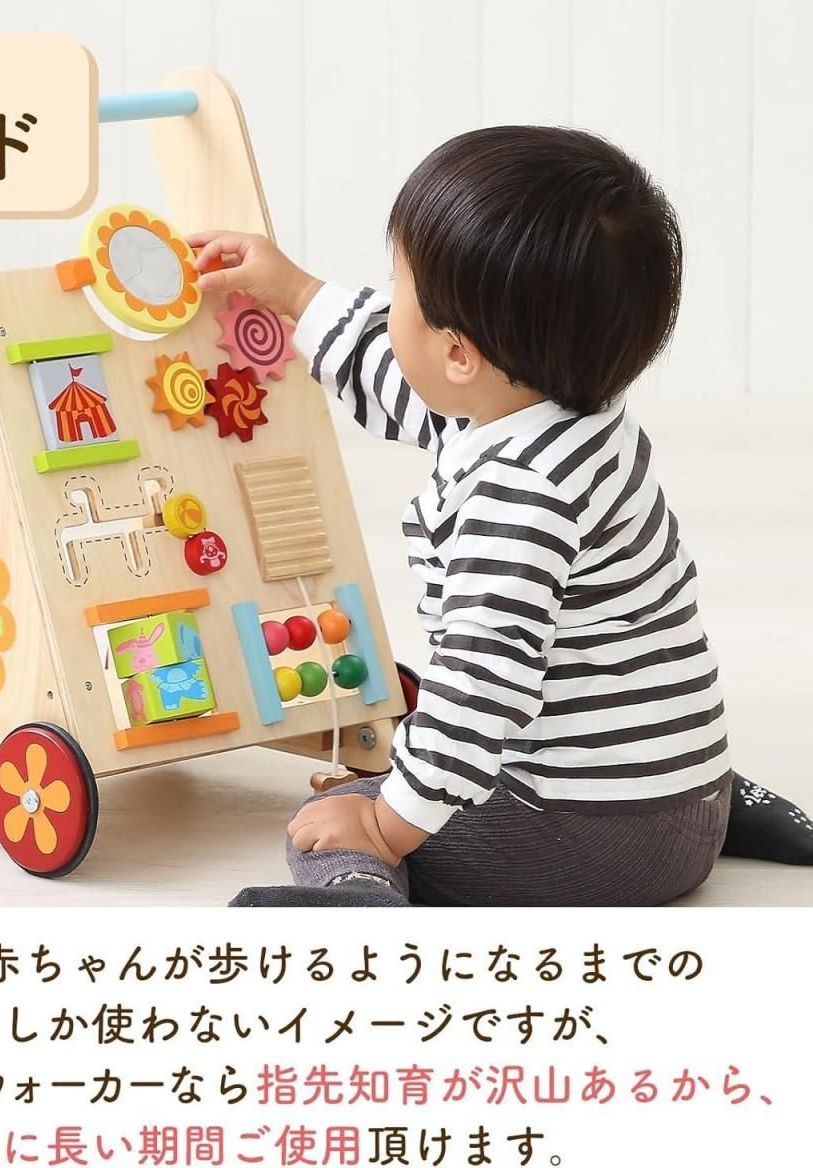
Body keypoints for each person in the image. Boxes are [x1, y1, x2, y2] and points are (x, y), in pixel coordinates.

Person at [188, 126, 813, 907]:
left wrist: (385, 823)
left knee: (327, 817)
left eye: (397, 290)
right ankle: (703, 808)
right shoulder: (571, 410)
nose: (385, 307)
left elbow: (477, 693)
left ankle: (358, 899)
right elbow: (398, 377)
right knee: (601, 734)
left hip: (594, 839)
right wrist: (295, 293)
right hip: (684, 791)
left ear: (460, 354)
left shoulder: (516, 499)